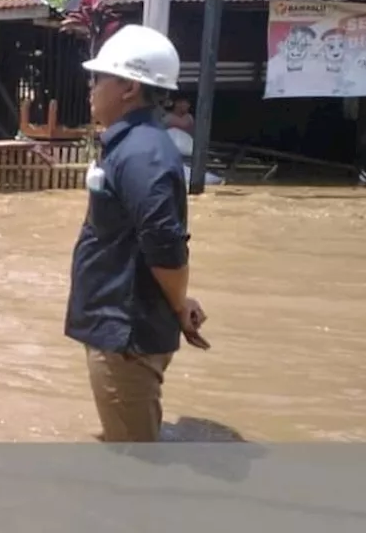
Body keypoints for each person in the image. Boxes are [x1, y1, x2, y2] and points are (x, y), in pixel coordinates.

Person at [67, 24, 210, 444]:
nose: (91, 88)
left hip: (125, 334)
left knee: (135, 462)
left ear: (128, 87)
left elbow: (166, 248)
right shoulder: (130, 146)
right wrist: (180, 301)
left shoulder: (142, 154)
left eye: (98, 78)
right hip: (117, 322)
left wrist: (179, 302)